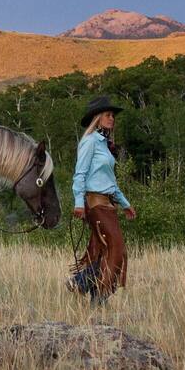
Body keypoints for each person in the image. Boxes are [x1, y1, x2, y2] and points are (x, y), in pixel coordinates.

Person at [69, 96, 136, 304]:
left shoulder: (104, 145)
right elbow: (79, 174)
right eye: (108, 115)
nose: (112, 118)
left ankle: (95, 295)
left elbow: (111, 183)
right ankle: (86, 285)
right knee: (117, 248)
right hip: (94, 204)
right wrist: (79, 202)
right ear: (97, 118)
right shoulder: (89, 142)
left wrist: (125, 204)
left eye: (113, 116)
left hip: (108, 204)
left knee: (103, 250)